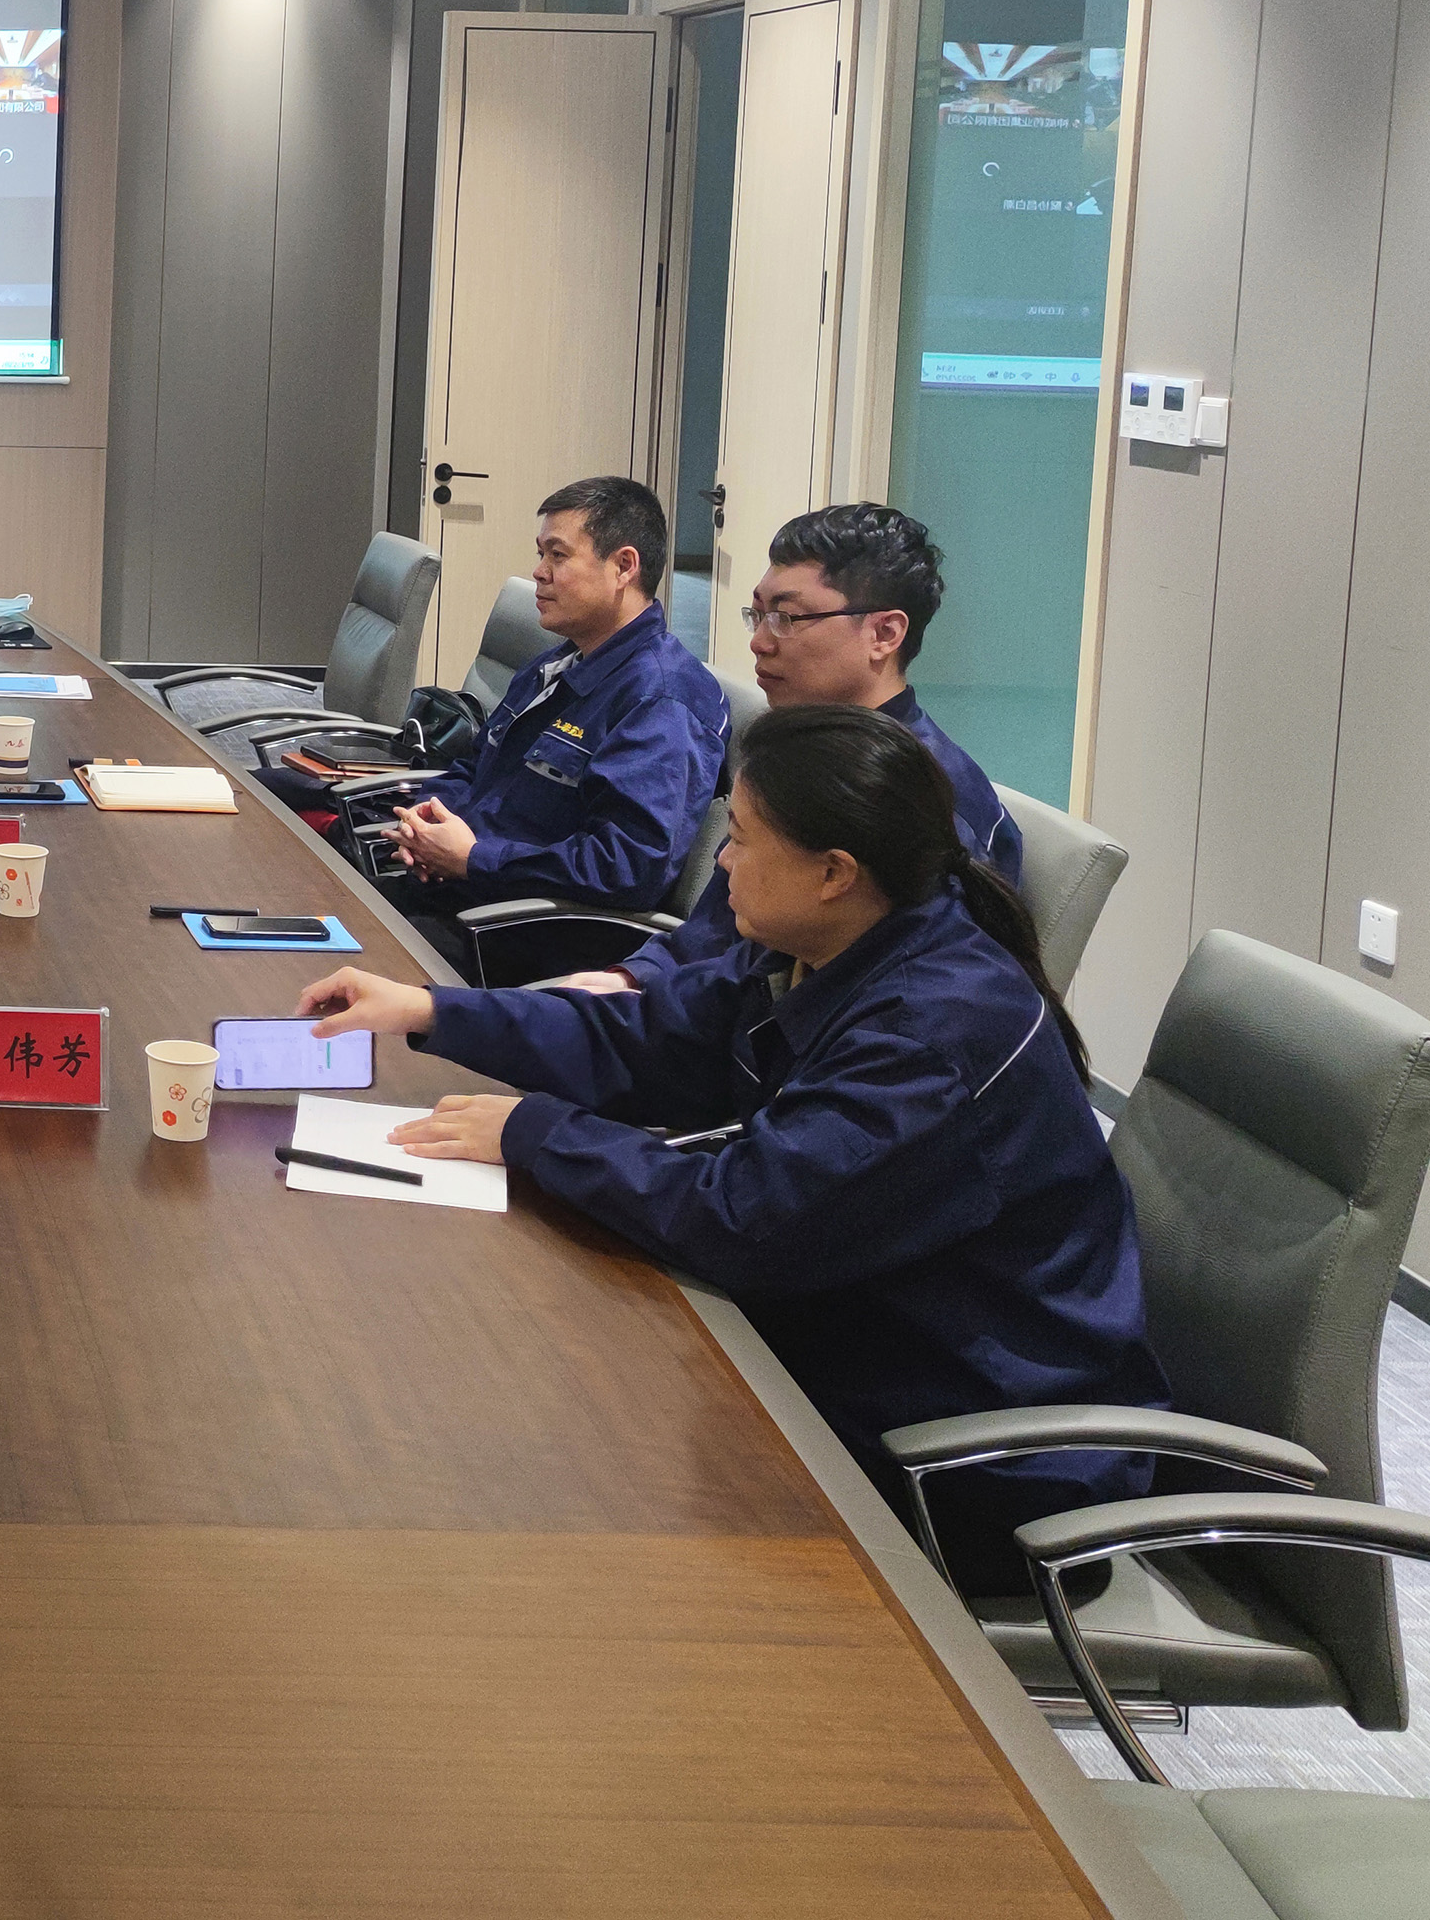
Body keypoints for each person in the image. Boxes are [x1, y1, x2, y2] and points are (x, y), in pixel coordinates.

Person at [300, 705, 1166, 1593]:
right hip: (861, 1344)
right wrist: (433, 1010)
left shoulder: (931, 1033)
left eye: (743, 839)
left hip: (976, 1460)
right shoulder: (827, 944)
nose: (719, 861)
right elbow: (650, 1038)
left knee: (568, 1473)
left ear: (833, 872)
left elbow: (744, 1217)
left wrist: (532, 1130)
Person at [559, 502, 1021, 998]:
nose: (759, 642)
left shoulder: (927, 807)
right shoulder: (801, 753)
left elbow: (882, 1002)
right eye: (758, 615)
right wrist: (634, 977)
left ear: (884, 634)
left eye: (786, 617)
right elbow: (716, 934)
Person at [373, 476, 726, 963]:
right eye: (541, 554)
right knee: (317, 889)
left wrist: (474, 859)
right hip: (461, 888)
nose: (539, 573)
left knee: (340, 958)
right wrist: (427, 820)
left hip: (519, 931)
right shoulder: (560, 662)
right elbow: (476, 768)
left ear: (624, 566)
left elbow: (627, 867)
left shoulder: (661, 700)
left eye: (558, 555)